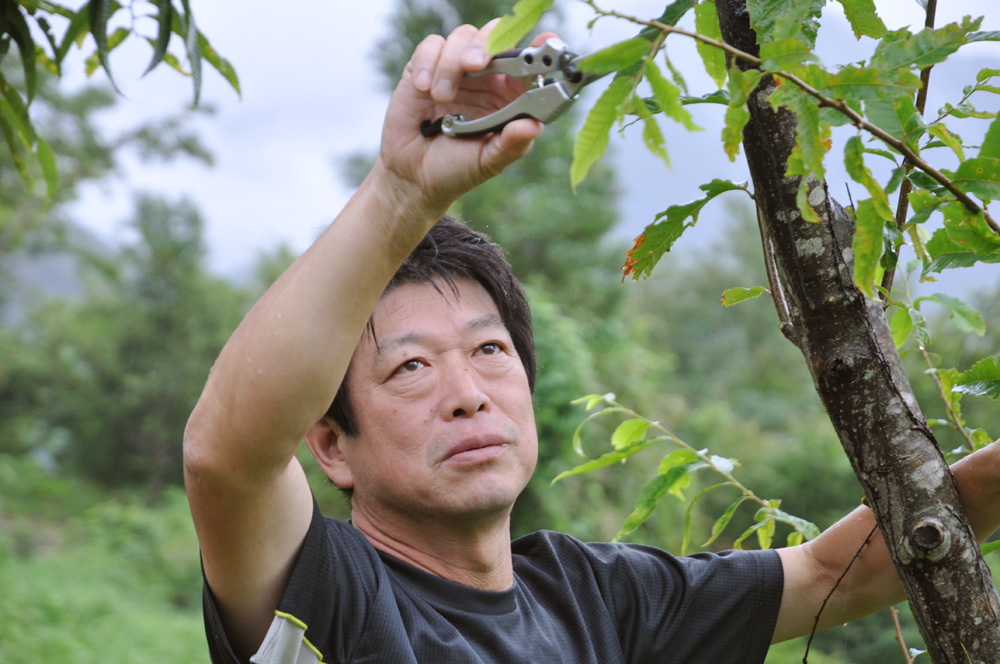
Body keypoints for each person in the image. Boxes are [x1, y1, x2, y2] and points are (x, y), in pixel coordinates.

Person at [184, 20, 1000, 664]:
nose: (468, 391)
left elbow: (835, 572)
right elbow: (227, 457)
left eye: (490, 351)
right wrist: (401, 194)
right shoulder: (329, 597)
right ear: (331, 445)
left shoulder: (592, 595)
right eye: (410, 366)